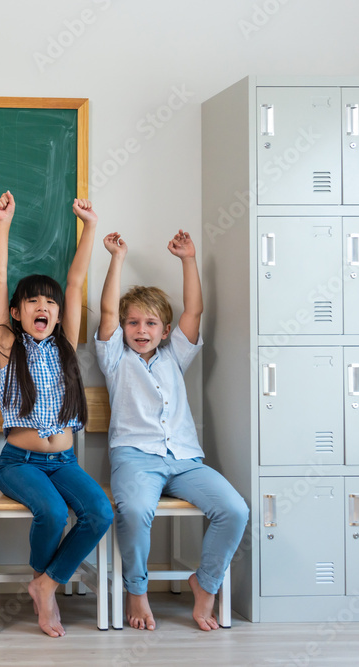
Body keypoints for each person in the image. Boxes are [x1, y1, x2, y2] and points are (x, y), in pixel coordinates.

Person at [95, 229, 248, 632]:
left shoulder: (173, 355)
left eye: (150, 323)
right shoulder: (115, 358)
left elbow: (194, 312)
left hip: (184, 460)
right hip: (135, 457)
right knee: (134, 510)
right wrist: (117, 257)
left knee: (235, 510)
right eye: (133, 323)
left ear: (164, 330)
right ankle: (137, 590)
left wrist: (188, 259)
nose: (140, 330)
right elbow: (107, 311)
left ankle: (206, 583)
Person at [0, 190, 113, 638]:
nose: (43, 307)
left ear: (59, 315)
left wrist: (90, 228)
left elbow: (76, 282)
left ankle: (45, 583)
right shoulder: (9, 346)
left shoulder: (65, 349)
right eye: (33, 302)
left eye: (51, 303)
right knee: (55, 515)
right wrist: (4, 224)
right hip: (18, 463)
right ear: (17, 314)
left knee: (100, 512)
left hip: (64, 461)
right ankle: (47, 588)